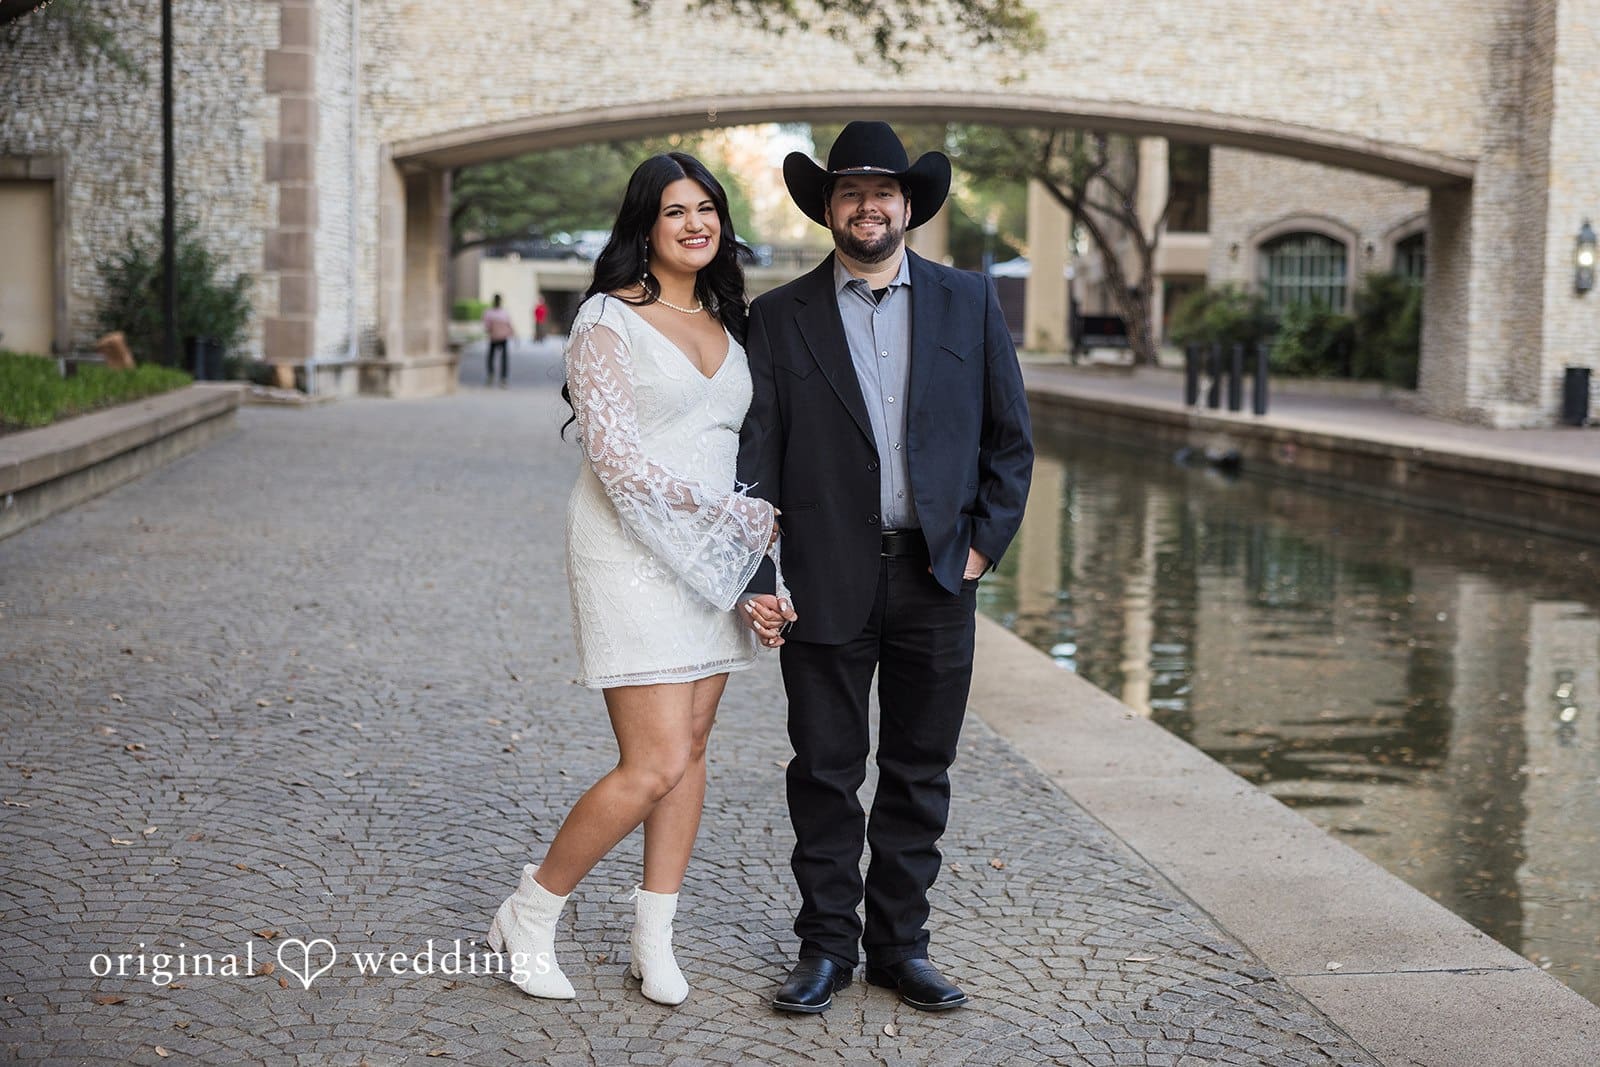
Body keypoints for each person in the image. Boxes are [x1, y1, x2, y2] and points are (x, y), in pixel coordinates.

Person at [737, 121, 1034, 1014]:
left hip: (938, 577)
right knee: (825, 769)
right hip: (824, 577)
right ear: (828, 208)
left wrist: (981, 545)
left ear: (908, 206)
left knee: (919, 767)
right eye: (849, 191)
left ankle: (900, 947)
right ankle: (826, 947)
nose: (868, 205)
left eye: (883, 191)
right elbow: (754, 455)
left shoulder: (968, 302)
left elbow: (1009, 441)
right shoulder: (778, 317)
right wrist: (758, 576)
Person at [486, 152, 782, 1007]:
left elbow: (747, 459)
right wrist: (737, 527)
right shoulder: (607, 321)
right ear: (644, 228)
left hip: (714, 562)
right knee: (650, 759)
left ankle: (654, 935)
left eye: (707, 209)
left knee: (690, 751)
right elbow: (616, 462)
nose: (695, 224)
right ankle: (531, 910)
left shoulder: (733, 321)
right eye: (674, 212)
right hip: (629, 551)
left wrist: (753, 563)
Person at [482, 293, 515, 386]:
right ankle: (503, 378)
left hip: (494, 337)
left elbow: (486, 326)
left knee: (491, 357)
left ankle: (491, 375)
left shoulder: (489, 312)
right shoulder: (504, 313)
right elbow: (509, 324)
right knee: (503, 358)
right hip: (503, 338)